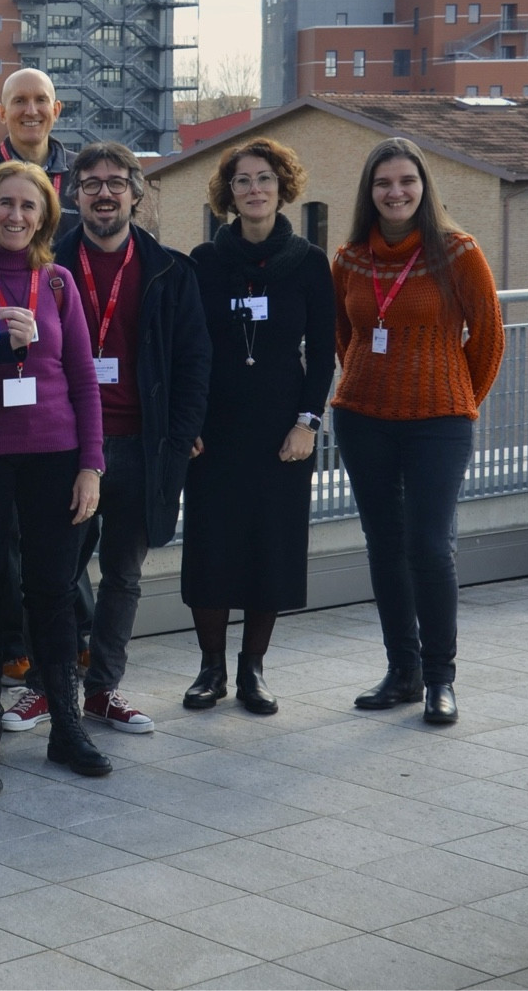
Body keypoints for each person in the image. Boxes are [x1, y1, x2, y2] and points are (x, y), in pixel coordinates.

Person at [0, 161, 111, 777]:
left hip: (55, 456)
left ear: (44, 216)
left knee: (54, 593)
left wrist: (91, 465)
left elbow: (85, 382)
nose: (15, 216)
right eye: (4, 204)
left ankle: (66, 727)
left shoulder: (58, 282)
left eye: (28, 206)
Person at [333, 138, 502, 726]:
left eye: (406, 181)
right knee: (384, 546)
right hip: (362, 418)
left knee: (429, 547)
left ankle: (439, 679)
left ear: (424, 187)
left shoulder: (457, 252)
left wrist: (455, 401)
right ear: (369, 192)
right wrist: (369, 381)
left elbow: (487, 339)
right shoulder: (351, 257)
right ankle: (401, 671)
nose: (395, 192)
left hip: (439, 424)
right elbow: (344, 333)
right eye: (383, 183)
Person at [49, 142, 210, 737]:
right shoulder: (50, 263)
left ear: (136, 193)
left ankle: (103, 690)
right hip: (68, 446)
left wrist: (182, 435)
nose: (104, 193)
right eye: (91, 183)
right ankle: (51, 685)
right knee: (57, 574)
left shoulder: (170, 270)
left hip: (143, 445)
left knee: (123, 575)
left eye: (116, 182)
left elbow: (195, 362)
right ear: (75, 194)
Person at [183, 139, 334, 715]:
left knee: (269, 547)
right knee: (211, 547)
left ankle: (252, 672)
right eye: (242, 180)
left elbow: (323, 354)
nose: (254, 189)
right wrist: (188, 421)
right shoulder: (204, 261)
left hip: (281, 430)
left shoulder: (309, 262)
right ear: (229, 193)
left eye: (265, 178)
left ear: (282, 186)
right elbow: (188, 349)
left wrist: (308, 423)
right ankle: (210, 669)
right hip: (214, 428)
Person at [0, 69, 78, 233]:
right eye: (19, 101)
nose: (31, 111)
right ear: (2, 113)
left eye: (41, 100)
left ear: (55, 111)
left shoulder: (82, 172)